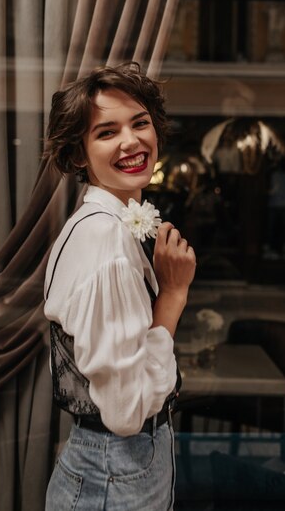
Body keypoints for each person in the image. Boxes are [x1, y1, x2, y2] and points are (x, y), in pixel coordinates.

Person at [43, 62, 196, 510]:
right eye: (106, 132)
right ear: (78, 155)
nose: (132, 141)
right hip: (118, 468)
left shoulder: (100, 224)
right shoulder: (105, 239)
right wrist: (173, 295)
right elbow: (127, 411)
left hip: (114, 467)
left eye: (141, 123)